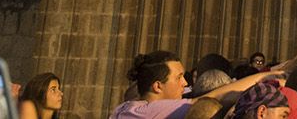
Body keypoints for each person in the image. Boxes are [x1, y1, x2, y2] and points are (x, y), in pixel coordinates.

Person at [107, 51, 271, 119]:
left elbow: (210, 90)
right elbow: (209, 100)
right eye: (178, 77)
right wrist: (265, 76)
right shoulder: (138, 112)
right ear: (157, 86)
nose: (185, 83)